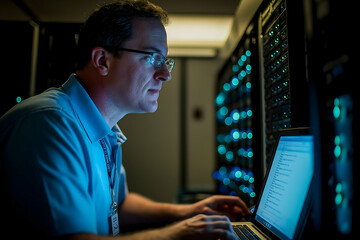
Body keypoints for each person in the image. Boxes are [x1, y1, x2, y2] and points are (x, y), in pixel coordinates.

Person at [0, 1, 251, 239]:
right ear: (102, 61)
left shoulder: (105, 130)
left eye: (166, 61)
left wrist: (190, 211)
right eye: (153, 58)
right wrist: (179, 233)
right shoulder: (49, 124)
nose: (165, 75)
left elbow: (118, 205)